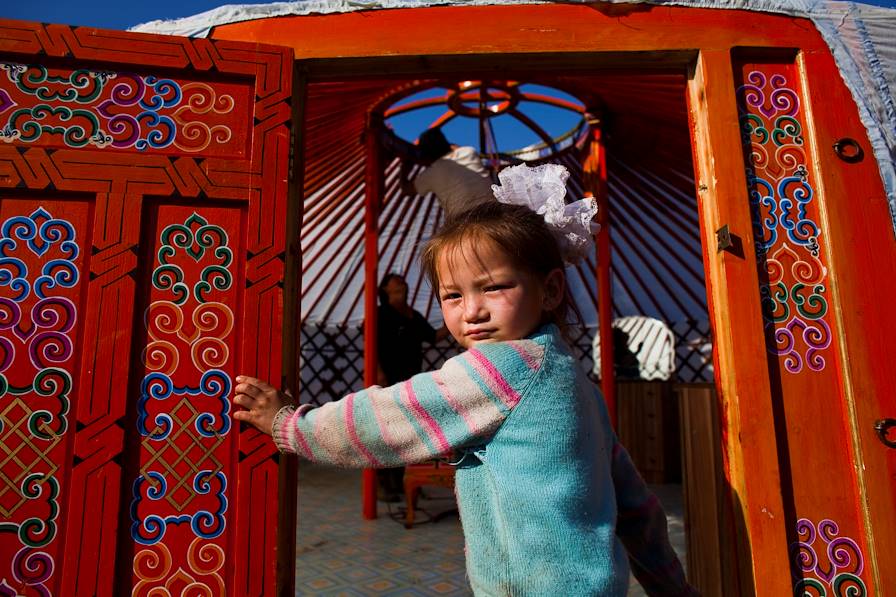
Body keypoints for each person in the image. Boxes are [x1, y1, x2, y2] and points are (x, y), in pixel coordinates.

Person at [234, 164, 696, 596]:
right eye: (452, 295)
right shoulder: (579, 385)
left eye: (493, 287)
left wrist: (290, 424)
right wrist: (670, 586)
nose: (471, 310)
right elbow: (638, 508)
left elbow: (389, 417)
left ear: (551, 289)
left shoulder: (501, 368)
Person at [375, 272, 448, 501]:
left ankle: (410, 480)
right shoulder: (381, 314)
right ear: (385, 289)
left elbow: (433, 337)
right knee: (388, 433)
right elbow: (373, 344)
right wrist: (378, 373)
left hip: (411, 381)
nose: (402, 282)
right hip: (389, 380)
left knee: (408, 433)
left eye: (402, 280)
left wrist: (453, 323)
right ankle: (386, 484)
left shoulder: (413, 315)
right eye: (394, 280)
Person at [401, 127, 495, 221]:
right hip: (494, 213)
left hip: (463, 224)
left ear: (427, 155)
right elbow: (455, 147)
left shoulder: (431, 174)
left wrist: (404, 170)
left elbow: (407, 190)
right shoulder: (469, 152)